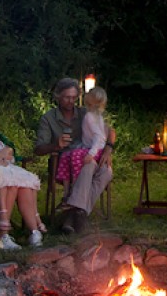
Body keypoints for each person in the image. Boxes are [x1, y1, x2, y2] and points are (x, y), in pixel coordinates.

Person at [34, 77, 112, 235]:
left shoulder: (85, 112)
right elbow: (38, 149)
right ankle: (79, 216)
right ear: (57, 96)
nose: (71, 101)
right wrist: (56, 144)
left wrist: (108, 149)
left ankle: (73, 214)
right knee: (89, 166)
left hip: (86, 157)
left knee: (107, 172)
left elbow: (109, 131)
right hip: (62, 163)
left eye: (74, 97)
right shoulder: (48, 118)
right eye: (66, 97)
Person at [0, 113, 45, 250]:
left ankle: (34, 231)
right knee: (10, 183)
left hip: (8, 171)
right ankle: (2, 237)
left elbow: (11, 158)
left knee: (25, 186)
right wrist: (2, 157)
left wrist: (5, 157)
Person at [56, 86, 113, 185]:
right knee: (65, 156)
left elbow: (99, 136)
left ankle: (77, 184)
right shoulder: (94, 115)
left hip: (96, 150)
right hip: (89, 147)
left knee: (76, 155)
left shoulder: (89, 116)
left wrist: (91, 153)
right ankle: (67, 190)